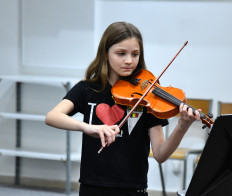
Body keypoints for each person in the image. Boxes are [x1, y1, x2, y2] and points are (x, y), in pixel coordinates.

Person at [45, 21, 201, 196]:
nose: (129, 61)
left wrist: (182, 126)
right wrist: (88, 127)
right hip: (93, 187)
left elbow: (160, 154)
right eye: (121, 53)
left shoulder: (148, 96)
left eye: (135, 54)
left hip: (132, 189)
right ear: (105, 54)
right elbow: (52, 116)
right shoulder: (88, 89)